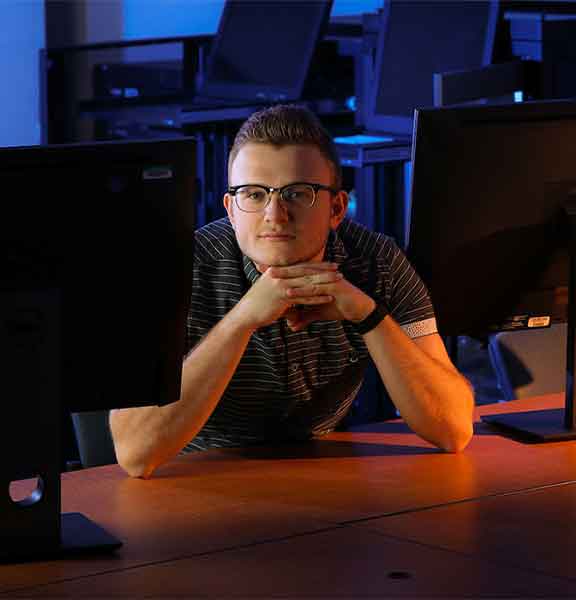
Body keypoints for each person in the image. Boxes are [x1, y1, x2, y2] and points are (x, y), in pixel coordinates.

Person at [110, 105, 474, 478]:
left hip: (325, 480)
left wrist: (368, 315)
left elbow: (453, 429)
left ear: (336, 208)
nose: (275, 214)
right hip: (196, 482)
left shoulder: (377, 263)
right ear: (231, 210)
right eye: (253, 195)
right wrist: (242, 320)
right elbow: (135, 453)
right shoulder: (184, 270)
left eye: (297, 194)